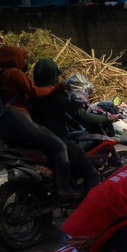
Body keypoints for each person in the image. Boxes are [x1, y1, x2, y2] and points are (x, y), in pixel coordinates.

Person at [0, 45, 78, 200]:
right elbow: (35, 92)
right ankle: (64, 189)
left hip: (1, 124)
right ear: (15, 58)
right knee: (59, 146)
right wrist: (58, 87)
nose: (25, 62)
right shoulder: (15, 73)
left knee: (27, 151)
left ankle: (25, 193)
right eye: (23, 58)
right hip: (17, 118)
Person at [29, 58, 105, 196]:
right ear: (52, 75)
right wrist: (106, 118)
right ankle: (94, 203)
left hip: (35, 139)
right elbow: (81, 116)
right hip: (57, 137)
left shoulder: (32, 94)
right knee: (91, 173)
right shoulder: (56, 94)